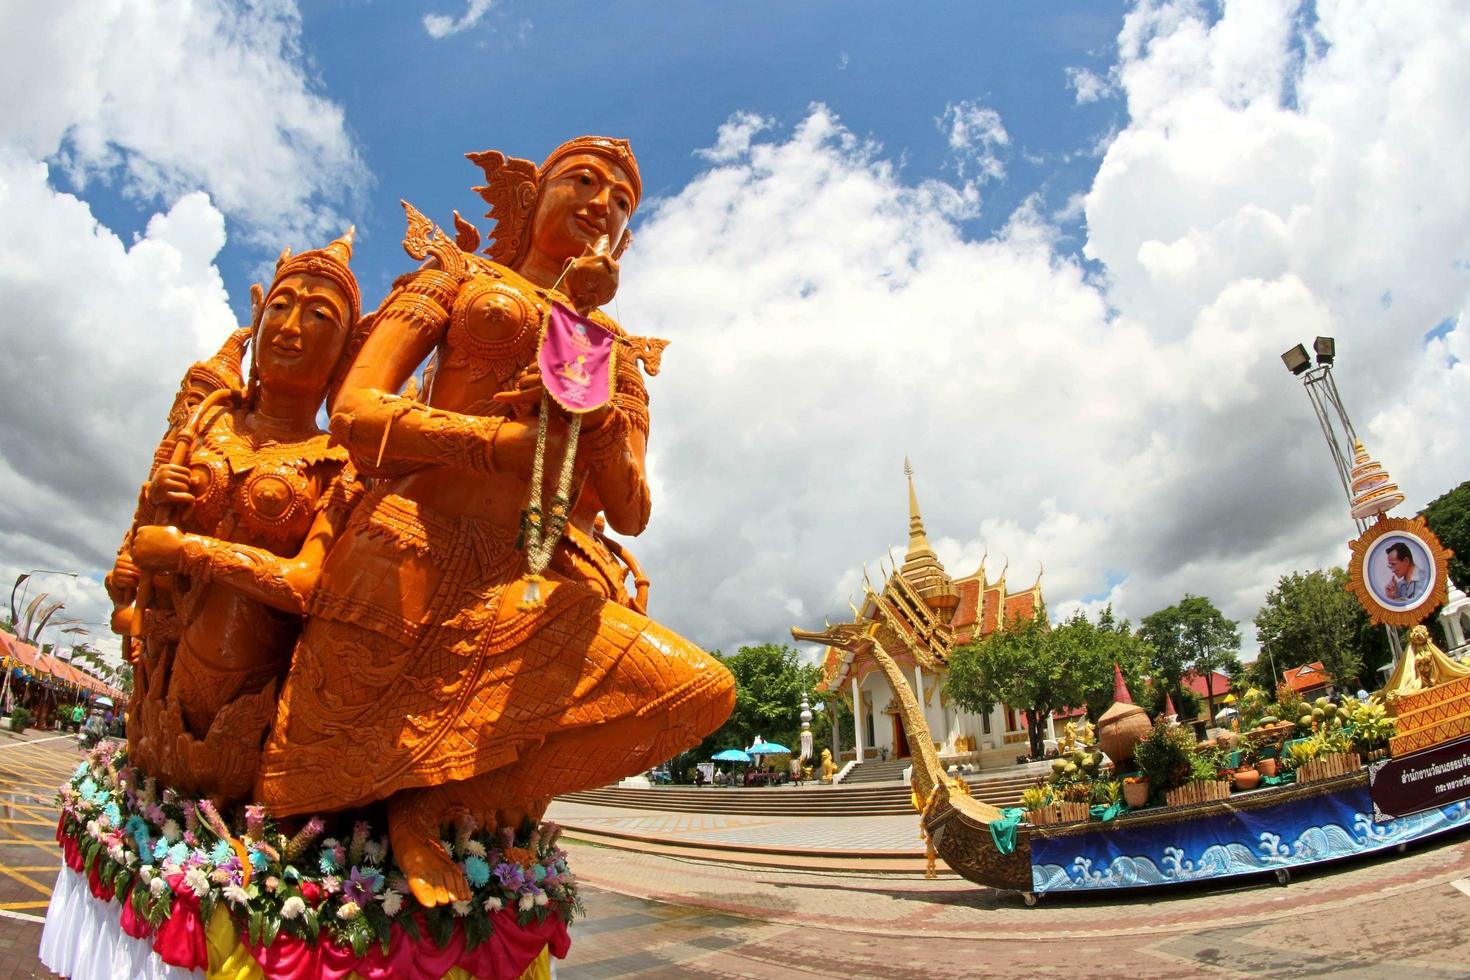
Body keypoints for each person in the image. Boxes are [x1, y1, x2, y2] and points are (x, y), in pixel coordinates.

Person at [254, 136, 734, 907]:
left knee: (693, 692)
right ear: (531, 195)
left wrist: (604, 420)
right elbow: (354, 410)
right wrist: (494, 445)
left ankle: (440, 805)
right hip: (401, 554)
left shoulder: (614, 352)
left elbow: (633, 510)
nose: (600, 205)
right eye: (583, 182)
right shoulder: (458, 279)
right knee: (311, 829)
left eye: (620, 202)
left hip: (519, 583)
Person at [107, 231, 367, 802]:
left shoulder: (341, 463)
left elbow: (308, 585)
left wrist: (188, 551)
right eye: (281, 304)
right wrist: (152, 516)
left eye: (319, 314)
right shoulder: (206, 425)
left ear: (348, 352)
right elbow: (129, 573)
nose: (290, 326)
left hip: (254, 719)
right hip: (157, 699)